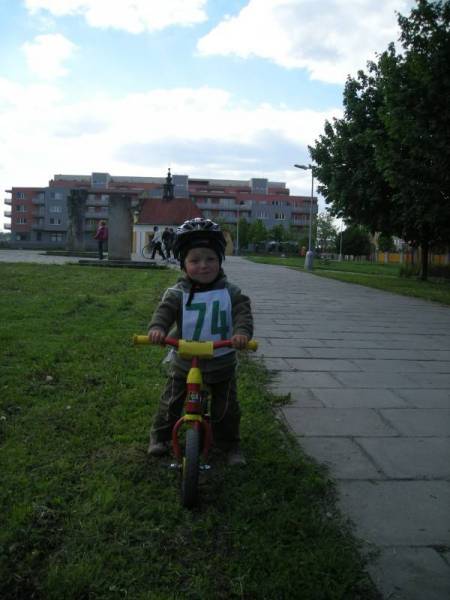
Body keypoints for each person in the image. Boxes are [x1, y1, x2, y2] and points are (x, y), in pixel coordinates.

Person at [147, 218, 253, 466]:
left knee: (226, 408)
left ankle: (229, 444)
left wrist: (241, 333)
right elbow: (164, 312)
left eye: (210, 259)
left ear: (220, 260)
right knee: (171, 401)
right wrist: (157, 329)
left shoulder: (231, 292)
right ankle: (160, 436)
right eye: (195, 260)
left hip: (221, 361)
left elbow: (242, 313)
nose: (203, 265)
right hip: (185, 360)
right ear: (183, 264)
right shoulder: (177, 293)